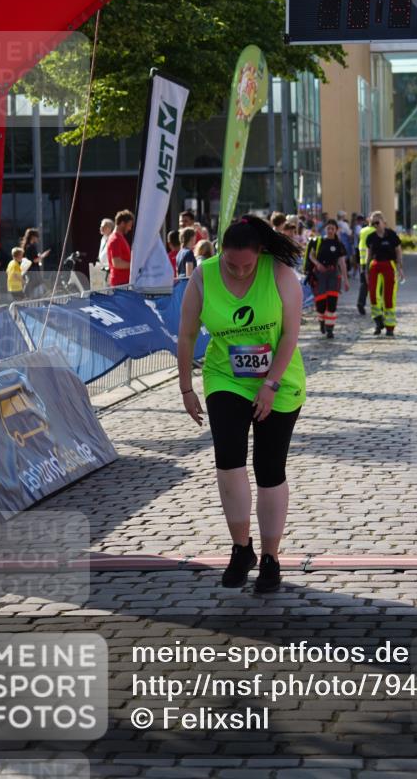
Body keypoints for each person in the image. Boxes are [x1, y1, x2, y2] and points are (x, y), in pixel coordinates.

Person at [178, 215, 306, 593]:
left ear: (261, 253)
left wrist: (270, 384)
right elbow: (185, 335)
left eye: (246, 265)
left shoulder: (281, 274)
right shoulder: (204, 275)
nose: (237, 271)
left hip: (279, 380)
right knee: (228, 462)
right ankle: (241, 548)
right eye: (230, 263)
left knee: (270, 469)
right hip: (226, 376)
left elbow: (290, 336)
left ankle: (270, 557)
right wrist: (187, 388)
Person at [305, 219, 349, 339]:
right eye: (328, 228)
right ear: (325, 229)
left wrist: (346, 280)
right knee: (320, 303)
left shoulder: (338, 245)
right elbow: (311, 255)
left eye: (332, 229)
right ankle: (321, 321)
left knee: (332, 303)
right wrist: (317, 264)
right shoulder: (318, 241)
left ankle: (330, 329)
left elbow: (342, 263)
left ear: (336, 230)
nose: (330, 231)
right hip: (319, 275)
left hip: (333, 275)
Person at [366, 214, 404, 336]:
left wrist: (399, 267)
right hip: (375, 266)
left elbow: (398, 251)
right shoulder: (371, 237)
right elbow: (369, 254)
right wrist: (366, 269)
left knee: (389, 296)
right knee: (373, 294)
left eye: (377, 222)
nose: (375, 226)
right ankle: (378, 320)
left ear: (384, 222)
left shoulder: (391, 235)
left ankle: (390, 326)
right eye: (373, 224)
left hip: (389, 265)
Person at [106, 210, 134, 286]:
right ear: (122, 223)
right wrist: (134, 265)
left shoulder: (119, 238)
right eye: (129, 225)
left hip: (123, 284)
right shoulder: (115, 239)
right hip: (120, 285)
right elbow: (117, 263)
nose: (130, 228)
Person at [20, 227, 50, 298]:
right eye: (37, 237)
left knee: (34, 283)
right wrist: (43, 256)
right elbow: (33, 260)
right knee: (34, 283)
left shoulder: (27, 246)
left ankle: (27, 297)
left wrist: (38, 256)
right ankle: (26, 297)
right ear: (33, 237)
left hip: (30, 269)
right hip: (33, 269)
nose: (38, 239)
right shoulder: (30, 247)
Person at [356, 214, 376, 315]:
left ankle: (361, 302)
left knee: (364, 284)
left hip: (362, 261)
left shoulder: (362, 231)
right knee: (375, 284)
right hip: (373, 261)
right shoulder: (375, 231)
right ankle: (377, 306)